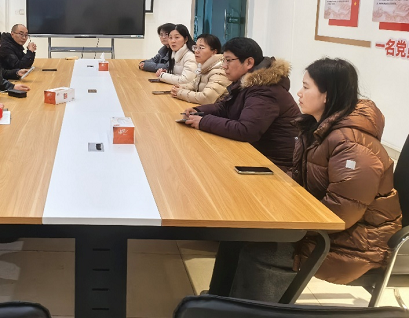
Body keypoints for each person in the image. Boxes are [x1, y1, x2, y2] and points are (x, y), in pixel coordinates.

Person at [208, 58, 402, 302]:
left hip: (354, 244)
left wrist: (283, 221)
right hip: (322, 225)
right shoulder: (316, 127)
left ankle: (253, 310)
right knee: (237, 234)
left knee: (261, 247)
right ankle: (220, 302)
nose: (298, 93)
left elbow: (342, 215)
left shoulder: (352, 147)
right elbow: (305, 179)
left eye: (306, 87)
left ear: (327, 95)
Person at [184, 37, 299, 172]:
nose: (224, 66)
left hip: (275, 166)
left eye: (228, 60)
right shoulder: (247, 82)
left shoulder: (265, 90)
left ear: (249, 62)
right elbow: (226, 107)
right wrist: (199, 110)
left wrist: (203, 122)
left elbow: (246, 130)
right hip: (255, 154)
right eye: (223, 60)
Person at [170, 33, 230, 105]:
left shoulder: (219, 70)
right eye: (195, 47)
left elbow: (206, 98)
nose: (196, 51)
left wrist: (180, 92)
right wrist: (181, 87)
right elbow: (194, 84)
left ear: (214, 52)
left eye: (201, 48)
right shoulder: (205, 66)